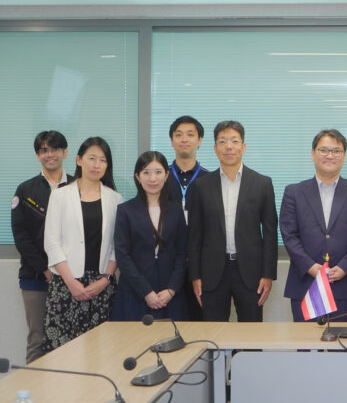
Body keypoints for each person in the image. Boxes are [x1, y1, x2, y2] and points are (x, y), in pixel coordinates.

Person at [187, 121, 278, 322]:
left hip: (251, 273)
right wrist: (195, 275)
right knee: (213, 333)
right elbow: (195, 234)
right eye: (223, 141)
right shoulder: (201, 186)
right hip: (211, 273)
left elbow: (270, 233)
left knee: (251, 332)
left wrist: (268, 274)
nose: (229, 146)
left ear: (243, 147)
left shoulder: (262, 183)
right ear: (215, 148)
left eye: (234, 141)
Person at [280, 130, 347, 322]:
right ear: (312, 154)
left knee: (344, 339)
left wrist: (345, 267)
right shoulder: (294, 192)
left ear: (344, 156)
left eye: (336, 151)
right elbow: (289, 234)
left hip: (346, 286)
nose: (330, 155)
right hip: (306, 284)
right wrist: (310, 267)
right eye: (323, 150)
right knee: (305, 340)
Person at [42, 137, 123, 351]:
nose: (97, 165)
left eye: (103, 160)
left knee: (102, 352)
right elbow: (51, 242)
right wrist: (71, 282)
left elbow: (118, 245)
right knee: (63, 353)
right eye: (92, 158)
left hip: (102, 286)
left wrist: (105, 279)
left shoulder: (116, 199)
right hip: (66, 285)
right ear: (79, 160)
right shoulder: (60, 196)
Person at [11, 131, 71, 363]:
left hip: (72, 278)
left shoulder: (78, 186)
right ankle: (33, 386)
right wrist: (46, 269)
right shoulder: (25, 190)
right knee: (38, 338)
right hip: (35, 277)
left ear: (65, 152)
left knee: (71, 338)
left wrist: (65, 272)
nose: (50, 154)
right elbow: (21, 237)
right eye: (44, 150)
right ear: (37, 156)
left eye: (55, 149)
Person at [111, 151, 188, 321]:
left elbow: (182, 253)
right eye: (146, 172)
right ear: (137, 177)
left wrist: (171, 290)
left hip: (170, 296)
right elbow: (122, 255)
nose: (152, 179)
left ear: (166, 175)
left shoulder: (176, 211)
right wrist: (146, 292)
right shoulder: (125, 211)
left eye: (158, 172)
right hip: (134, 293)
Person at [167, 115, 209, 321]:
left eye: (190, 135)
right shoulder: (160, 178)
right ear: (171, 141)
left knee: (200, 322)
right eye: (179, 135)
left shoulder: (210, 180)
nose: (184, 139)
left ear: (199, 141)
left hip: (200, 265)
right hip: (167, 264)